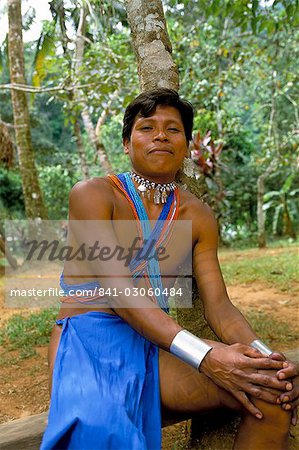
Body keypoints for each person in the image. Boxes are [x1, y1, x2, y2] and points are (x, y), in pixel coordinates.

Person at [41, 88, 298, 450]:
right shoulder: (93, 195)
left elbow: (220, 308)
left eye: (173, 129)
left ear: (187, 146)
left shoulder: (198, 216)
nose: (161, 134)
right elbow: (121, 294)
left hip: (157, 345)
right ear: (127, 145)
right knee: (101, 433)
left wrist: (267, 356)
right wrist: (205, 356)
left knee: (271, 392)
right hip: (91, 342)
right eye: (147, 127)